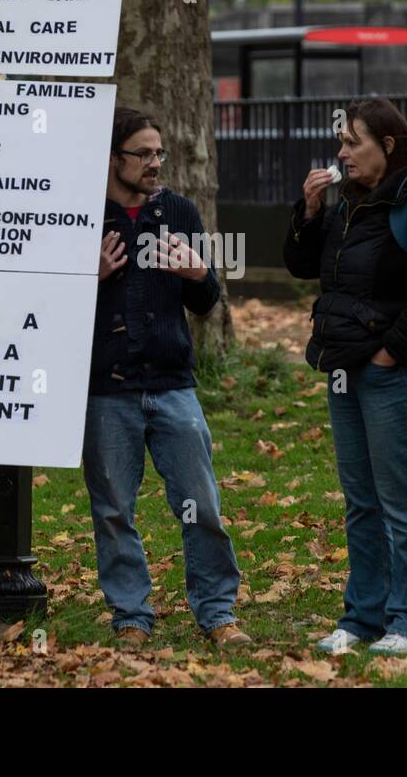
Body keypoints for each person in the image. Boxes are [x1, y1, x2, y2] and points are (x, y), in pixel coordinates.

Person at [283, 97, 407, 655]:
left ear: (386, 145)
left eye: (352, 141)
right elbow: (303, 267)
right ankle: (362, 618)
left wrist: (389, 354)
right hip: (342, 370)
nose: (341, 152)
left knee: (401, 501)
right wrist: (307, 213)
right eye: (340, 141)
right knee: (361, 501)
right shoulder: (347, 204)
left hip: (388, 374)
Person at [83, 107, 249, 649]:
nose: (156, 163)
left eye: (160, 153)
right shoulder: (82, 214)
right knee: (113, 510)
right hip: (107, 388)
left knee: (200, 501)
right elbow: (47, 309)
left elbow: (206, 302)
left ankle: (218, 613)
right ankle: (131, 616)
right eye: (144, 154)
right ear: (113, 159)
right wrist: (91, 276)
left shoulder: (177, 211)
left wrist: (198, 273)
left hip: (174, 385)